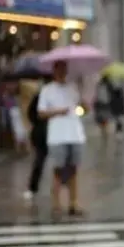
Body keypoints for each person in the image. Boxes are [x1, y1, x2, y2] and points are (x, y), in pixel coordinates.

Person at [37, 61, 88, 216]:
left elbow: (83, 109)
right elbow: (41, 113)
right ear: (54, 71)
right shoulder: (47, 90)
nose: (62, 73)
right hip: (58, 136)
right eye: (59, 69)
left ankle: (74, 202)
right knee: (58, 171)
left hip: (75, 134)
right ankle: (56, 204)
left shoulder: (73, 88)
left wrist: (84, 95)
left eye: (64, 69)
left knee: (73, 169)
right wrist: (58, 112)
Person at [23, 76, 51, 201]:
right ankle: (33, 187)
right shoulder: (40, 96)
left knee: (41, 160)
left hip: (45, 131)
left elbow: (30, 114)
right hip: (42, 132)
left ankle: (33, 188)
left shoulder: (39, 95)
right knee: (40, 160)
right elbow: (31, 114)